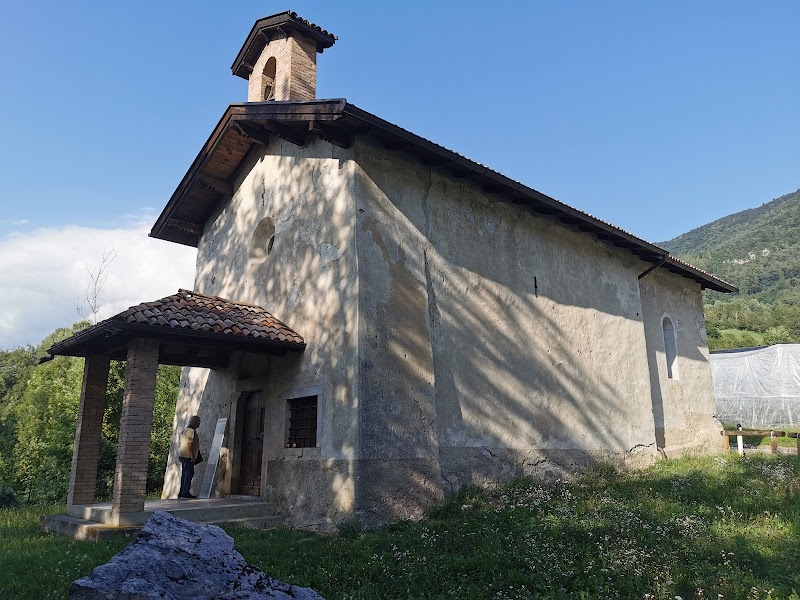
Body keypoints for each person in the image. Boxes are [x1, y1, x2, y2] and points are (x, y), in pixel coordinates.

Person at [178, 415, 201, 499]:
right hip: (187, 456)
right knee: (189, 474)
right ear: (195, 422)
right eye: (198, 422)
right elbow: (189, 443)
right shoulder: (191, 431)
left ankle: (182, 492)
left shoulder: (186, 429)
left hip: (182, 455)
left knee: (184, 474)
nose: (199, 424)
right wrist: (192, 456)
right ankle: (185, 492)